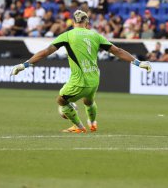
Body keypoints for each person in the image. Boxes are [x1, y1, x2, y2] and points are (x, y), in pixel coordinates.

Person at [10, 10, 151, 133]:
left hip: (80, 80)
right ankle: (93, 123)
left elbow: (46, 52)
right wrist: (139, 63)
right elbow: (118, 51)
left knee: (61, 101)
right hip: (95, 79)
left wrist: (24, 65)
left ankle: (78, 126)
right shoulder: (95, 35)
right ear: (87, 23)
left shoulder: (68, 35)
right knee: (88, 101)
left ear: (73, 22)